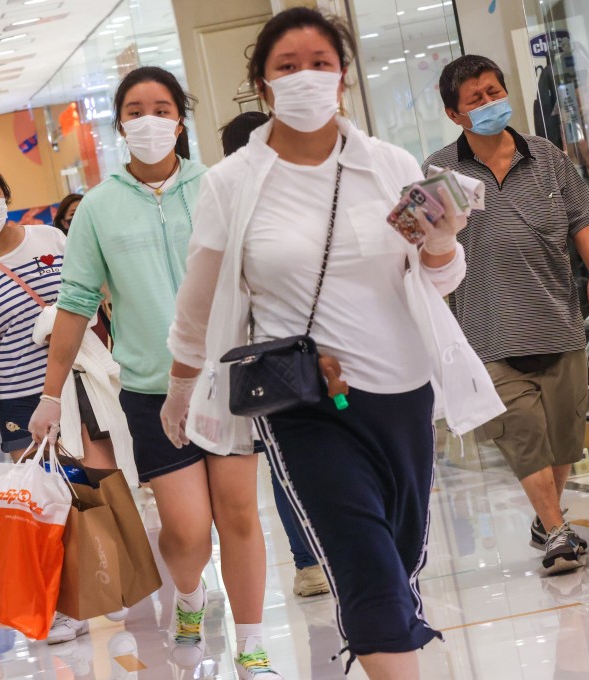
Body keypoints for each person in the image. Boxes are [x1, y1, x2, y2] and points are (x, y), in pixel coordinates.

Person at [164, 9, 502, 679]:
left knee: (399, 557)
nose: (306, 79)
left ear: (343, 78)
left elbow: (439, 279)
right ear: (263, 87)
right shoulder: (231, 185)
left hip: (403, 391)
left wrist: (440, 244)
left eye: (320, 64)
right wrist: (180, 384)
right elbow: (199, 300)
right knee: (365, 568)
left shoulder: (389, 165)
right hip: (307, 403)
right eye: (287, 67)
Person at [27, 66, 283, 678]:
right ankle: (189, 597)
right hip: (151, 389)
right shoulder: (98, 207)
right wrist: (50, 394)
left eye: (162, 108)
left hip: (231, 382)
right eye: (136, 110)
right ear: (120, 123)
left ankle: (251, 643)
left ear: (179, 118)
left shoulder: (218, 187)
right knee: (189, 530)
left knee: (241, 515)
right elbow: (75, 305)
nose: (150, 120)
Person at [424, 54, 589, 576]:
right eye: (475, 99)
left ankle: (544, 513)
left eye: (493, 91)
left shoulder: (548, 156)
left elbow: (582, 217)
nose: (489, 104)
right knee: (522, 432)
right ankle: (556, 532)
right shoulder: (440, 170)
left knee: (566, 435)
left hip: (556, 318)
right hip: (486, 329)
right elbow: (415, 239)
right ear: (454, 115)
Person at [0, 162, 120, 645]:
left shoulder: (51, 241)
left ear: (8, 194)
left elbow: (93, 299)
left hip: (78, 387)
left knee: (91, 488)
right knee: (48, 504)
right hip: (20, 402)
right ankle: (66, 606)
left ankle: (106, 585)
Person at [219, 110, 330, 599]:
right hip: (275, 361)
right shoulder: (227, 210)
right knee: (288, 462)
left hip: (326, 355)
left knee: (308, 459)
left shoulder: (320, 191)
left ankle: (322, 557)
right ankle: (309, 560)